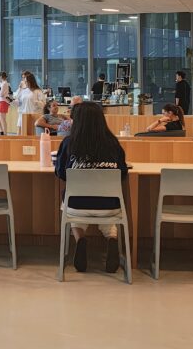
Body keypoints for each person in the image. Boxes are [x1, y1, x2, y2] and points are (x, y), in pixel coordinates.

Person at [54, 102, 129, 273]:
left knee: (72, 203)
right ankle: (112, 239)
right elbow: (122, 174)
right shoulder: (113, 144)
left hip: (77, 206)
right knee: (105, 205)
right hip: (110, 207)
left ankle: (80, 239)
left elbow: (61, 173)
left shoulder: (69, 143)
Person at [0, 71, 12, 135]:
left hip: (3, 102)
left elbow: (1, 94)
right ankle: (2, 131)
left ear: (1, 77)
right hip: (1, 102)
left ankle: (5, 134)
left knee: (3, 119)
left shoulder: (4, 84)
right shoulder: (3, 83)